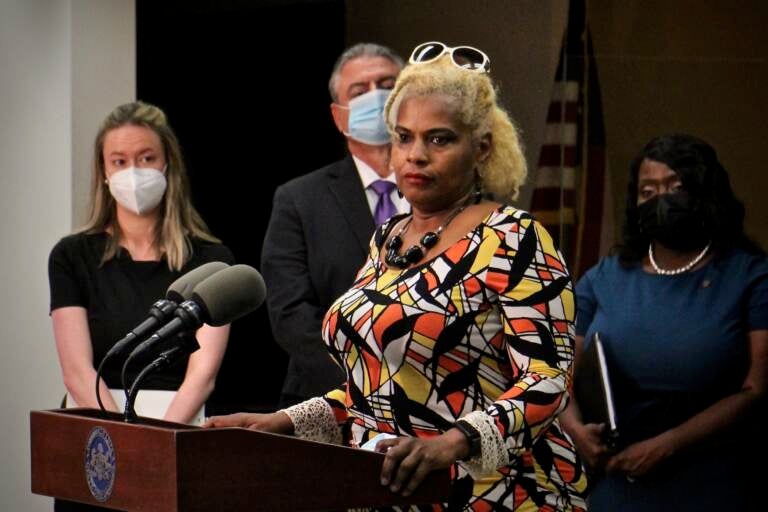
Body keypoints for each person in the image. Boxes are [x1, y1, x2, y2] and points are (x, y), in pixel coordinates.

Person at [207, 42, 588, 511]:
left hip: (495, 494)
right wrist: (285, 421)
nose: (415, 155)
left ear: (481, 146)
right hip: (384, 491)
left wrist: (451, 443)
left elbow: (548, 379)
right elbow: (376, 390)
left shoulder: (515, 238)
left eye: (439, 138)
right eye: (404, 137)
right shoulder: (388, 237)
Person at [560, 134, 768, 510]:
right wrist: (575, 429)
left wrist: (668, 445)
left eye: (677, 187)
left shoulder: (749, 276)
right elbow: (560, 374)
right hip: (617, 480)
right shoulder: (603, 278)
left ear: (706, 193)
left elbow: (757, 388)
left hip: (714, 480)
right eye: (648, 191)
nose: (662, 200)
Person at [48, 101, 235, 427]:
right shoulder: (71, 256)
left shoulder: (211, 260)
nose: (133, 172)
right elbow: (77, 371)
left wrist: (158, 439)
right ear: (104, 171)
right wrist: (119, 437)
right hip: (95, 423)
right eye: (119, 161)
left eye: (147, 158)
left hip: (180, 424)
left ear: (167, 163)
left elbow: (202, 375)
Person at [262, 42, 408, 408]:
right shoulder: (299, 199)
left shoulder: (446, 193)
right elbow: (290, 314)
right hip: (326, 398)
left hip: (433, 402)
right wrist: (364, 383)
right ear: (339, 116)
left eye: (388, 85)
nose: (378, 98)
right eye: (359, 92)